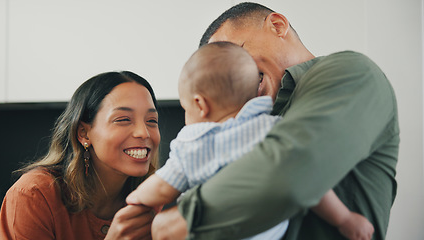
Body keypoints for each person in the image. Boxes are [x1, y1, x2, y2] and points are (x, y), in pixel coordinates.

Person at [151, 2, 399, 240]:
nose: (232, 79)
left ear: (278, 26)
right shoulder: (243, 127)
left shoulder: (349, 71)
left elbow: (291, 174)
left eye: (237, 56)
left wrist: (175, 222)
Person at [128, 42, 374, 240]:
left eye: (185, 108)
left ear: (200, 105)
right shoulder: (273, 128)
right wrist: (344, 219)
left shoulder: (195, 142)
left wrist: (137, 199)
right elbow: (312, 185)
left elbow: (162, 186)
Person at [0, 71, 161, 240]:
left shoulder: (152, 198)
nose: (144, 133)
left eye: (152, 121)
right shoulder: (33, 196)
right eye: (123, 119)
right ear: (84, 133)